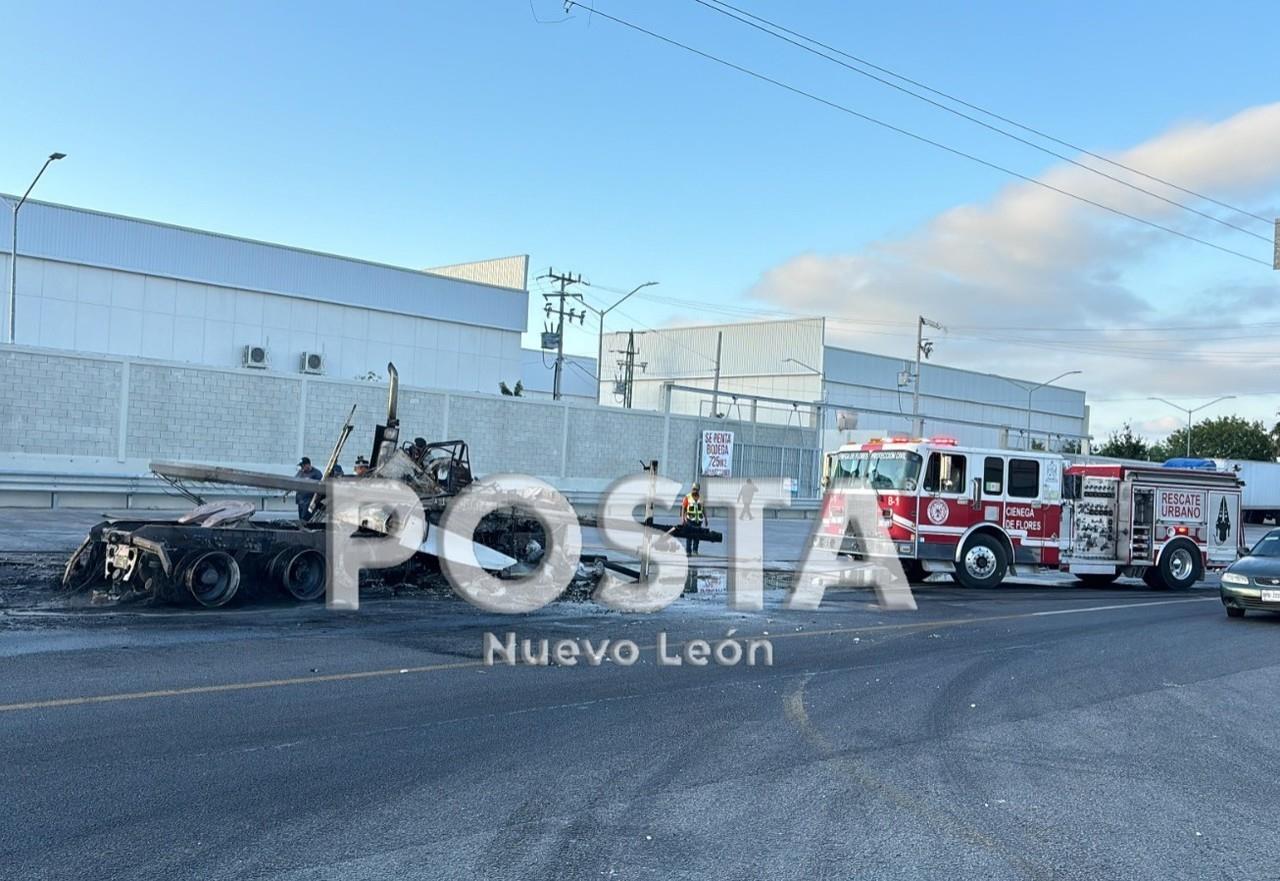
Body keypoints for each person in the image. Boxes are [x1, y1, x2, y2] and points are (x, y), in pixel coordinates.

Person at [681, 483, 705, 556]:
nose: (694, 491)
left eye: (696, 489)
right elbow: (683, 508)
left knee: (697, 536)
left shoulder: (701, 497)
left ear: (698, 490)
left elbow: (703, 508)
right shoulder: (687, 497)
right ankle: (688, 551)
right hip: (690, 520)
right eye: (693, 489)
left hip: (698, 520)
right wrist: (682, 518)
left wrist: (706, 518)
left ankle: (695, 550)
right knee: (689, 536)